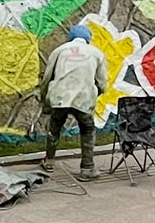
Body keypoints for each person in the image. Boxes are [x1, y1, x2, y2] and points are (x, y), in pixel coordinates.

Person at [40, 24, 108, 181]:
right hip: (84, 98)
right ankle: (87, 168)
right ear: (88, 39)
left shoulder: (59, 51)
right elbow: (102, 82)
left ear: (70, 37)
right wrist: (96, 93)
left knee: (54, 128)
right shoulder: (96, 53)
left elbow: (47, 77)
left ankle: (49, 161)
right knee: (87, 130)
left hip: (60, 97)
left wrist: (46, 100)